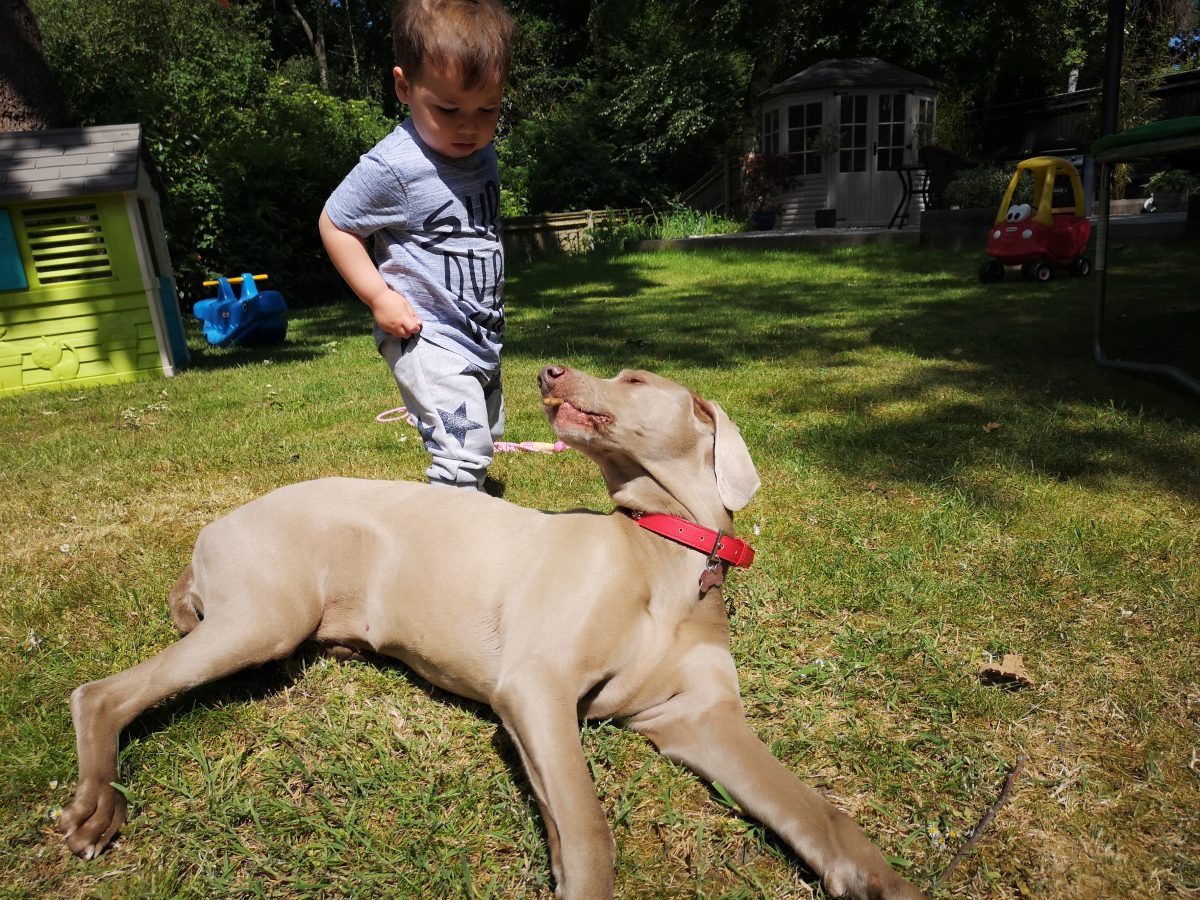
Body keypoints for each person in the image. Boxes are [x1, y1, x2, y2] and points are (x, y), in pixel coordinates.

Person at [320, 0, 513, 490]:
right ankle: (445, 550)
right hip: (429, 336)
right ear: (405, 87)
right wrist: (379, 296)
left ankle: (469, 507)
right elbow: (335, 222)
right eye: (448, 109)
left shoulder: (480, 152)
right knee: (461, 450)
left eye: (487, 109)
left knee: (484, 436)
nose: (469, 127)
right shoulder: (394, 166)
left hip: (480, 333)